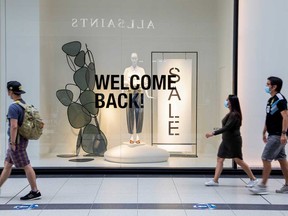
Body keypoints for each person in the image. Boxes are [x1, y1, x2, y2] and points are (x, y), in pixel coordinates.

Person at [205, 94, 258, 187]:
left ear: (231, 102)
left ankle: (253, 179)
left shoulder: (234, 115)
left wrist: (212, 133)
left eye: (227, 100)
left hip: (234, 141)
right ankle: (215, 180)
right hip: (226, 141)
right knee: (220, 159)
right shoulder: (230, 113)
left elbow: (227, 127)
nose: (226, 102)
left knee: (238, 160)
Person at [0, 81, 41, 200]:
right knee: (7, 165)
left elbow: (14, 126)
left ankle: (35, 191)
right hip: (22, 139)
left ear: (10, 92)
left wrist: (13, 143)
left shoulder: (13, 107)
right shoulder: (23, 104)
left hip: (16, 142)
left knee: (26, 165)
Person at [249, 76, 288, 195]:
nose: (266, 86)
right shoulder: (270, 100)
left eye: (268, 84)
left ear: (274, 86)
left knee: (265, 158)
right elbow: (269, 116)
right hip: (272, 134)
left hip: (277, 135)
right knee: (282, 159)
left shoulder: (280, 99)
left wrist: (283, 134)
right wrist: (263, 131)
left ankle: (263, 185)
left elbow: (285, 117)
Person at [123, 53, 152, 144]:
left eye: (135, 58)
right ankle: (131, 135)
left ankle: (138, 135)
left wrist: (147, 94)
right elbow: (123, 82)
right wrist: (122, 93)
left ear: (138, 59)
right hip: (130, 92)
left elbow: (145, 82)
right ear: (130, 59)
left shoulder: (141, 70)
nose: (134, 59)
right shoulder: (127, 70)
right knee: (129, 112)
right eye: (132, 58)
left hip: (139, 92)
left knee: (140, 112)